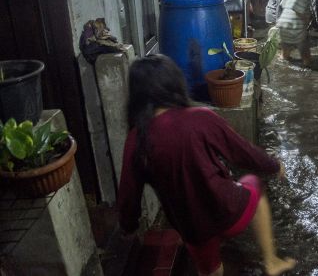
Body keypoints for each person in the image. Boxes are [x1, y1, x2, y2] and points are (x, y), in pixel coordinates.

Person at [117, 55, 296, 276]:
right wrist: (273, 165)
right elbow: (243, 152)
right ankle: (271, 262)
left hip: (191, 227)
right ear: (174, 85)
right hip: (226, 210)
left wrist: (128, 226)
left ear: (137, 96)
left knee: (211, 270)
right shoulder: (200, 118)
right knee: (253, 185)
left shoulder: (136, 139)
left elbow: (128, 195)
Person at [275, 0, 316, 66]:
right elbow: (297, 7)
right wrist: (306, 22)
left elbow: (283, 3)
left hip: (283, 22)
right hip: (295, 24)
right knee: (307, 58)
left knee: (284, 56)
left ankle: (284, 71)